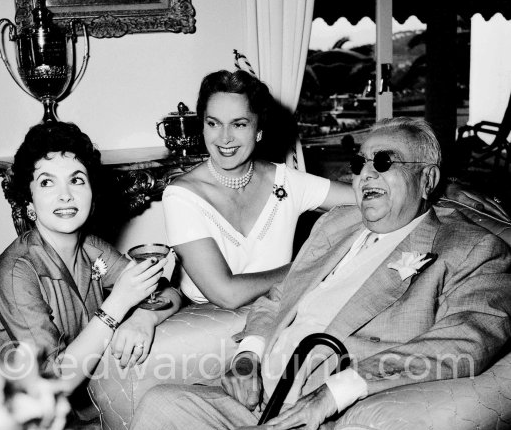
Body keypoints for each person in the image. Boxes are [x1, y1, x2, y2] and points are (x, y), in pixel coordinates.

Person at [117, 117, 511, 430]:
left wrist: (337, 392)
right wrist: (248, 354)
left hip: (322, 419)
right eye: (360, 165)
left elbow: (464, 344)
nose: (366, 176)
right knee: (159, 406)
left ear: (427, 179)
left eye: (385, 163)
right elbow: (279, 296)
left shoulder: (471, 249)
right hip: (258, 394)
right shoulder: (337, 223)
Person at [164, 70, 510, 309]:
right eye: (213, 123)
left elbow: (372, 198)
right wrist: (316, 267)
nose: (223, 138)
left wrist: (449, 193)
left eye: (238, 124)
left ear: (258, 130)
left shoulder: (285, 181)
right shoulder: (183, 196)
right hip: (207, 321)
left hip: (281, 310)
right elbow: (225, 294)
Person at [0, 121, 181, 430]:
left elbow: (169, 292)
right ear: (28, 200)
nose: (65, 195)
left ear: (91, 190)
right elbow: (53, 383)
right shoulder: (14, 271)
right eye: (46, 183)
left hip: (90, 414)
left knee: (172, 419)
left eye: (76, 180)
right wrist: (118, 306)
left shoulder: (92, 249)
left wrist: (144, 316)